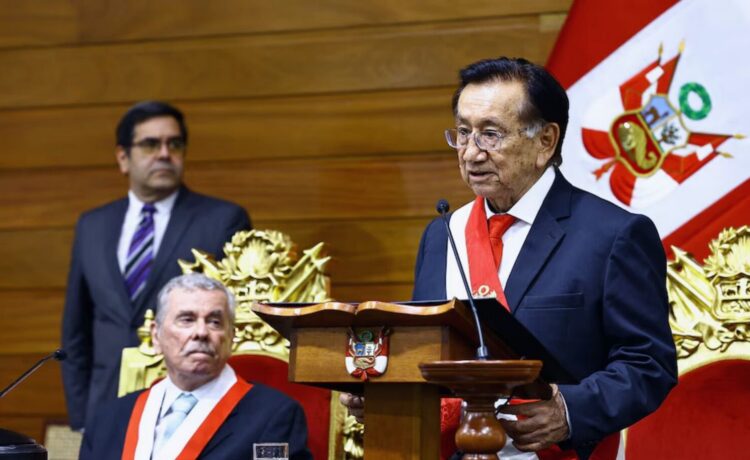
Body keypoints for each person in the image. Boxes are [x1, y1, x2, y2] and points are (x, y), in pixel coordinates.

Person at [344, 57, 677, 459]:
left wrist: (569, 412)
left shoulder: (613, 235)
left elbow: (648, 364)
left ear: (545, 141)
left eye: (490, 134)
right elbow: (427, 351)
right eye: (463, 133)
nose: (471, 153)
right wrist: (384, 390)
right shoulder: (442, 234)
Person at [61, 101, 251, 431]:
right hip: (104, 407)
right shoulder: (92, 225)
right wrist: (81, 416)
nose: (164, 153)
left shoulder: (222, 221)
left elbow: (238, 326)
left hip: (189, 406)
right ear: (123, 157)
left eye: (174, 144)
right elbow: (76, 329)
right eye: (150, 144)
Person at [79, 273, 312, 459]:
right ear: (156, 335)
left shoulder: (274, 416)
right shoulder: (108, 419)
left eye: (214, 322)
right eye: (187, 319)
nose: (201, 332)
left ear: (232, 336)